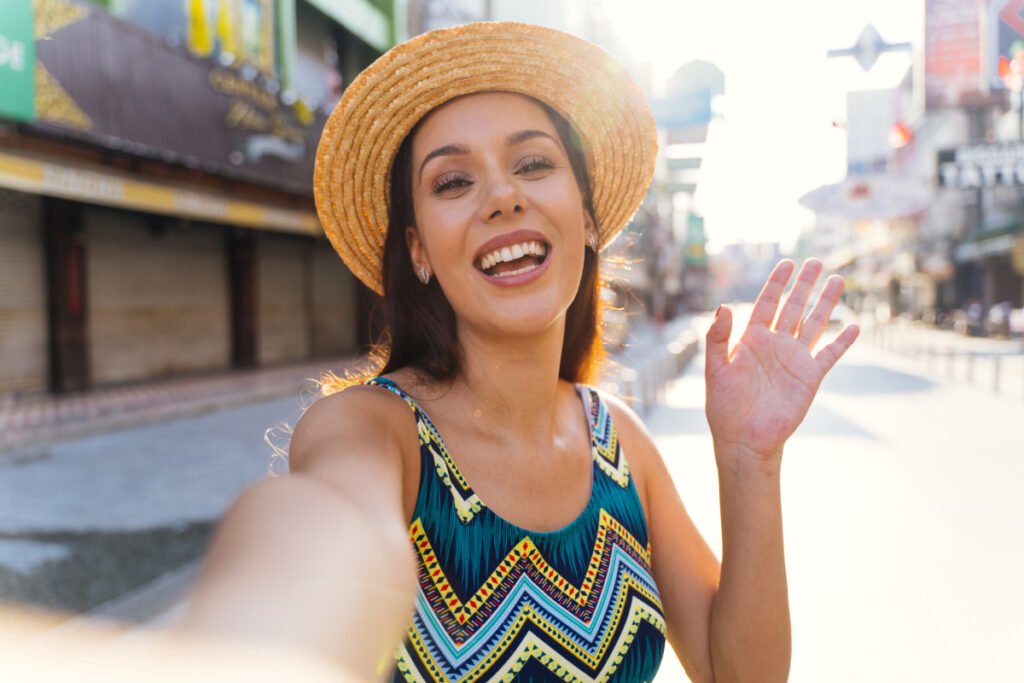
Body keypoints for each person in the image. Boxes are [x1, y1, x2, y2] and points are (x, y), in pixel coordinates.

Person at [180, 22, 860, 683]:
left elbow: (740, 674)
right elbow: (322, 533)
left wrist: (749, 459)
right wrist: (259, 630)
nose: (503, 196)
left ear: (587, 221)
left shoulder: (621, 445)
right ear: (418, 252)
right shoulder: (372, 430)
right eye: (453, 182)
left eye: (532, 164)